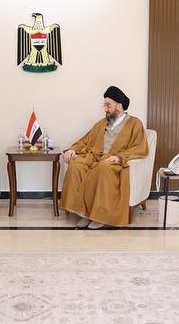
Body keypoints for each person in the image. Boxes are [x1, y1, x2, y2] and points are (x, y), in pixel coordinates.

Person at [61, 86, 149, 229]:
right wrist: (73, 149)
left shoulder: (135, 124)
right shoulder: (101, 123)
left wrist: (119, 157)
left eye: (108, 105)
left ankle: (100, 216)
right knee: (76, 165)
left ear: (119, 106)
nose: (105, 109)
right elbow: (85, 140)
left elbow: (139, 147)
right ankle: (84, 213)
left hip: (114, 161)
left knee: (103, 168)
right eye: (104, 105)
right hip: (94, 157)